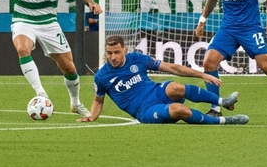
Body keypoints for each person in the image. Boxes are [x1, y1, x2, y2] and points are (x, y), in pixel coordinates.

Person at [78, 35, 248, 125]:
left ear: (125, 50)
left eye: (116, 52)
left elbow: (172, 68)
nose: (113, 57)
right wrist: (92, 116)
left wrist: (202, 74)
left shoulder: (136, 58)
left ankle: (222, 101)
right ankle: (224, 121)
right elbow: (98, 100)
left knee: (174, 87)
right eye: (109, 53)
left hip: (157, 91)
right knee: (179, 109)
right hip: (144, 109)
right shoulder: (102, 76)